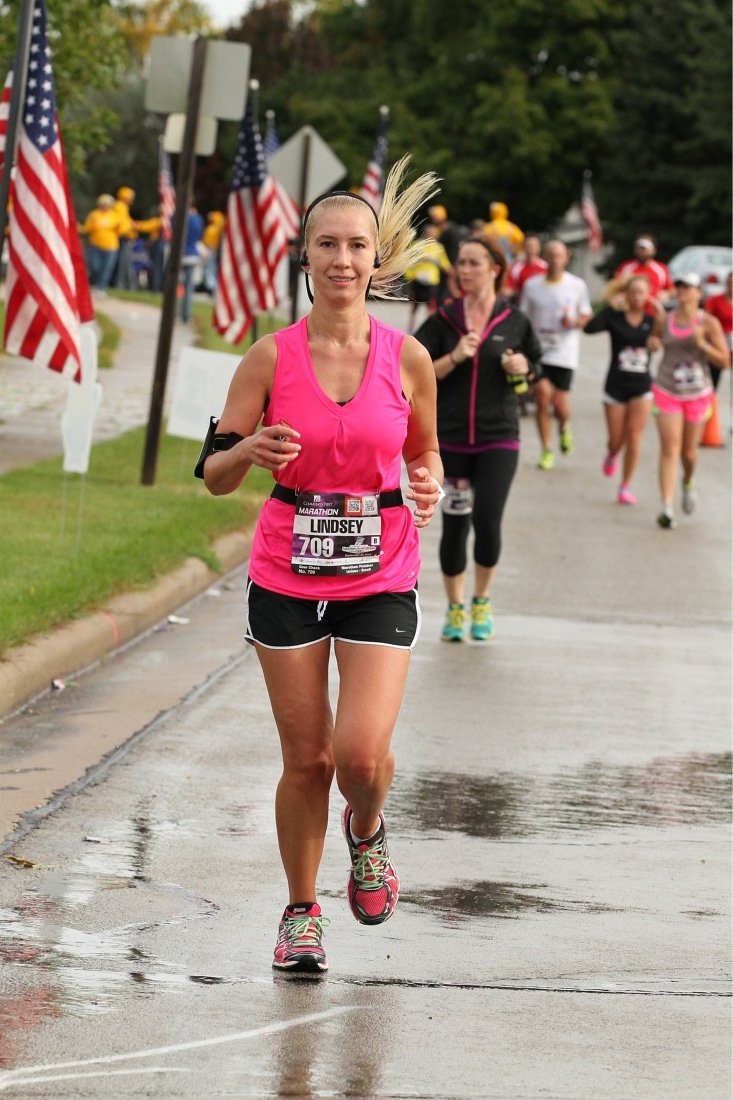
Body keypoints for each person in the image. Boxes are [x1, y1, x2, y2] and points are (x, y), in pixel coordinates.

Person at [197, 157, 443, 976]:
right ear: (304, 259)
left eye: (356, 246)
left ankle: (366, 834)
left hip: (380, 567)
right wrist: (251, 451)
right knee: (307, 760)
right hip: (286, 569)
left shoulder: (406, 359)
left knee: (360, 757)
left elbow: (424, 451)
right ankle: (301, 913)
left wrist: (429, 480)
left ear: (378, 259)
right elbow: (212, 469)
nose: (342, 260)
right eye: (326, 246)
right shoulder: (269, 358)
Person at [414, 234, 542, 643]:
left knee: (487, 521)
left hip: (498, 437)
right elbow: (415, 373)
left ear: (495, 270)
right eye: (460, 263)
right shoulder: (443, 319)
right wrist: (455, 357)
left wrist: (523, 366)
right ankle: (454, 608)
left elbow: (534, 368)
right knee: (454, 526)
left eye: (473, 263)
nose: (463, 271)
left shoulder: (515, 322)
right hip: (450, 440)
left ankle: (481, 601)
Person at [647, 272, 729, 529]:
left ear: (698, 293)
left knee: (688, 452)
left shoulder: (709, 323)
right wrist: (652, 343)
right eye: (679, 286)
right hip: (667, 389)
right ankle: (667, 507)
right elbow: (655, 339)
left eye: (688, 287)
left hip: (697, 392)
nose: (682, 290)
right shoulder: (665, 318)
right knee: (669, 449)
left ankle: (688, 481)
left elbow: (724, 361)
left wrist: (703, 344)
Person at [582, 275, 663, 504]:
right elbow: (589, 328)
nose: (637, 296)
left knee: (635, 436)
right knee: (617, 440)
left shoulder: (652, 320)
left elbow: (662, 339)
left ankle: (625, 485)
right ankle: (612, 453)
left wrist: (657, 339)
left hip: (642, 385)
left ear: (648, 295)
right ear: (626, 294)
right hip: (616, 385)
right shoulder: (615, 318)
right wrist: (609, 308)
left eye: (641, 292)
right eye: (633, 292)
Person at [519, 240, 592, 469]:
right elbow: (523, 319)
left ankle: (563, 427)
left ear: (566, 258)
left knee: (560, 404)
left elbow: (586, 314)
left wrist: (575, 322)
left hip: (565, 350)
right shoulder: (532, 286)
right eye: (550, 255)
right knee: (542, 398)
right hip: (539, 350)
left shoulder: (577, 285)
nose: (555, 259)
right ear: (545, 257)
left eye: (559, 255)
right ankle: (547, 449)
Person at [403, 223, 452, 333]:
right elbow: (408, 262)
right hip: (418, 279)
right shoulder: (416, 245)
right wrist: (409, 275)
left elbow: (444, 262)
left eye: (433, 233)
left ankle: (428, 327)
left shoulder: (439, 247)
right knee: (414, 305)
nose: (431, 235)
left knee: (431, 306)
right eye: (429, 233)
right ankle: (411, 324)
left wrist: (451, 270)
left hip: (432, 281)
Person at [79, 193, 121, 296]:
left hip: (111, 246)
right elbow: (87, 228)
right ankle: (95, 284)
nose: (106, 206)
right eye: (104, 203)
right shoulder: (94, 214)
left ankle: (101, 288)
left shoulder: (116, 216)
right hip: (95, 245)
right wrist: (77, 228)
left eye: (108, 204)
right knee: (94, 266)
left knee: (106, 269)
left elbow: (121, 230)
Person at [612, 236, 673, 304]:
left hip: (652, 311)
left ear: (654, 250)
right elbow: (613, 287)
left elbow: (672, 289)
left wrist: (667, 294)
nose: (642, 251)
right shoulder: (625, 267)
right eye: (639, 248)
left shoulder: (661, 269)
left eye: (645, 249)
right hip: (629, 310)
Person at [703, 271, 733, 390]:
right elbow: (705, 319)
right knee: (712, 381)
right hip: (719, 344)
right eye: (730, 283)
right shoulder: (715, 300)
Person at [179, 203, 204, 322]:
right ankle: (186, 316)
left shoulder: (178, 216)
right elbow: (199, 235)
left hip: (179, 254)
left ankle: (174, 315)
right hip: (192, 254)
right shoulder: (197, 219)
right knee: (188, 288)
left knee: (177, 288)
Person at [506, 233, 547, 301]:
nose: (532, 248)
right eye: (528, 245)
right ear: (523, 247)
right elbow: (509, 289)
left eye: (534, 245)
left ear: (539, 247)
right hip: (521, 306)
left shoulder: (546, 267)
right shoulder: (515, 268)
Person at [113, 186, 137, 289]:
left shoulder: (122, 207)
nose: (132, 200)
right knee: (124, 262)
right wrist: (130, 231)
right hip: (123, 237)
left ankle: (121, 284)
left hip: (124, 237)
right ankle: (121, 284)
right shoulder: (120, 206)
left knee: (124, 262)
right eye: (130, 197)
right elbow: (123, 224)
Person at [202, 210, 225, 295]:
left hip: (211, 249)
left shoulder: (212, 228)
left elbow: (206, 241)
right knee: (213, 269)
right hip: (214, 250)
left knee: (210, 269)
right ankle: (212, 287)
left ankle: (211, 287)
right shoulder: (219, 227)